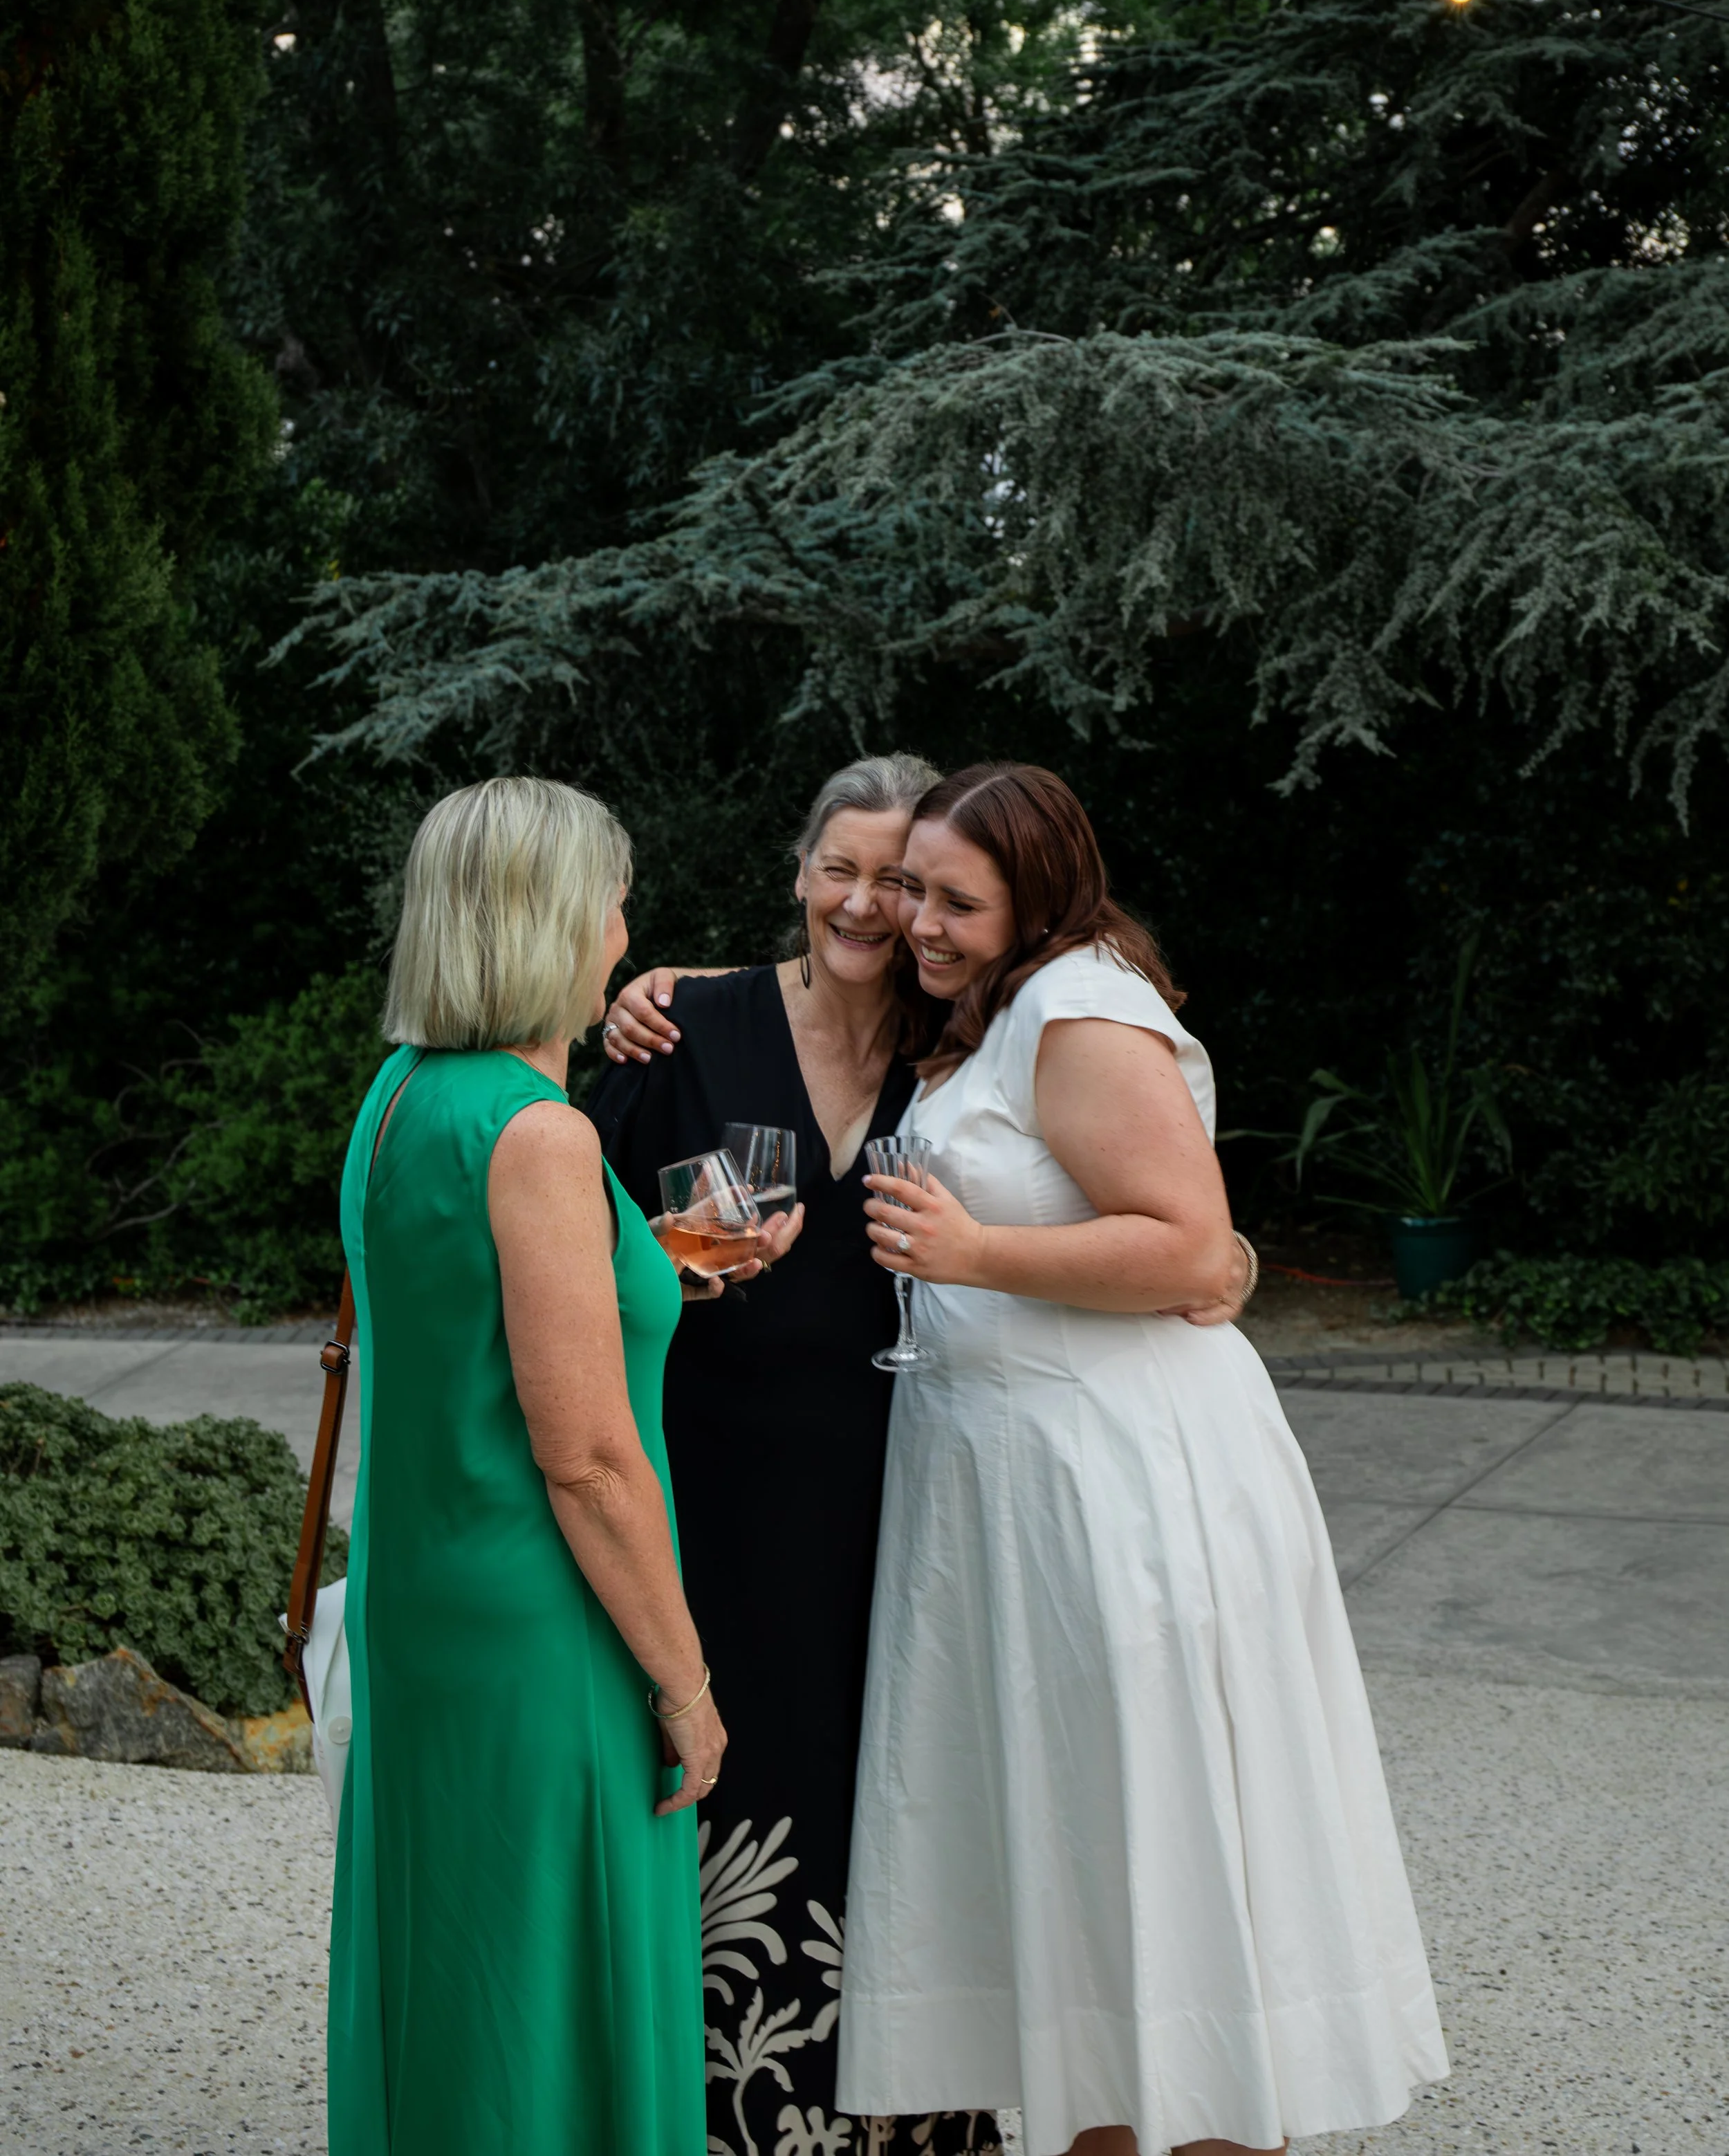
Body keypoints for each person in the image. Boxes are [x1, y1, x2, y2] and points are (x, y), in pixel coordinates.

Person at [837, 762, 1449, 2156]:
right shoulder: (989, 1005)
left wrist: (974, 1254)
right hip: (1011, 1490)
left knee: (1160, 1879)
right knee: (1081, 1886)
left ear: (1038, 896)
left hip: (1115, 1492)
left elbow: (1189, 1243)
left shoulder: (1078, 1005)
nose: (917, 921)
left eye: (954, 899)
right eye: (911, 886)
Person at [329, 776, 792, 2156]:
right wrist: (687, 1683)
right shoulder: (541, 1135)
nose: (620, 931)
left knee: (454, 1969)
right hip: (543, 1625)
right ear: (547, 924)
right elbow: (588, 1460)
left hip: (424, 1604)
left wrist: (656, 1273)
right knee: (551, 1981)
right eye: (609, 902)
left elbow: (460, 1321)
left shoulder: (402, 1098)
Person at [589, 754, 999, 2156]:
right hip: (708, 1492)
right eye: (843, 867)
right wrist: (662, 1267)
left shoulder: (967, 1054)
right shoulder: (680, 1028)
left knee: (883, 1784)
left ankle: (896, 2122)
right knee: (730, 1777)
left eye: (902, 879)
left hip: (902, 1495)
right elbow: (572, 1245)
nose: (868, 903)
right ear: (798, 871)